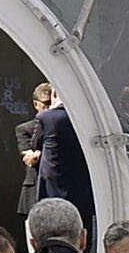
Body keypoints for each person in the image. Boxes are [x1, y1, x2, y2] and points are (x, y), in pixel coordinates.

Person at [27, 80, 96, 230]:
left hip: (54, 185)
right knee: (82, 229)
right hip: (81, 185)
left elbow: (35, 144)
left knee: (53, 229)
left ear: (54, 95)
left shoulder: (45, 117)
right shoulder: (85, 118)